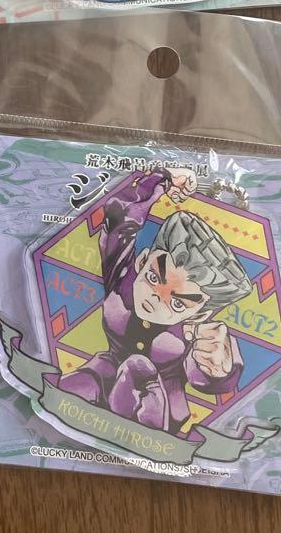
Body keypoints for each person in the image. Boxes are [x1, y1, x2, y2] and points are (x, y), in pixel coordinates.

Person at [56, 168, 251, 434]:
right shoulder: (123, 281)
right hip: (103, 376)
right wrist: (161, 179)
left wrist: (220, 371)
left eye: (177, 303)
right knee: (79, 385)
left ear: (198, 314)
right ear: (142, 260)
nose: (157, 297)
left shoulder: (196, 334)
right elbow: (119, 220)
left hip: (158, 413)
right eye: (153, 277)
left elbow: (206, 378)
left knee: (138, 368)